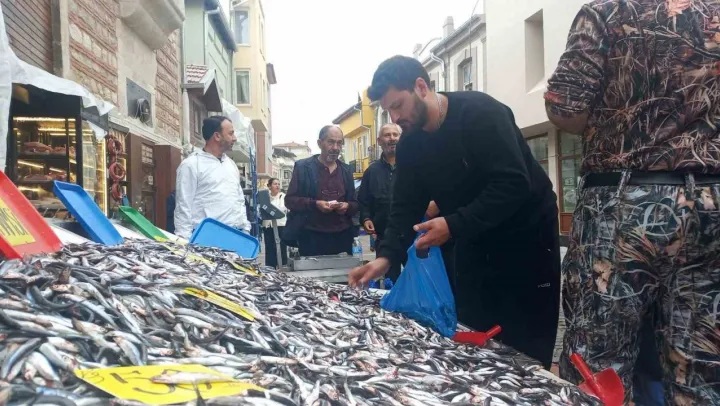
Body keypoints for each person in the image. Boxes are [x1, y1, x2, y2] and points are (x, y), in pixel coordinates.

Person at [545, 1, 720, 404]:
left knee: (598, 363)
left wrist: (618, 122)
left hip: (625, 203)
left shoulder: (609, 12)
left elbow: (565, 106)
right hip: (710, 201)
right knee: (701, 368)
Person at [349, 55, 561, 369]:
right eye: (389, 110)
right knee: (473, 330)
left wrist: (452, 223)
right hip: (472, 238)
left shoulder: (482, 113)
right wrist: (386, 257)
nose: (395, 117)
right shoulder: (411, 145)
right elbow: (405, 206)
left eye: (398, 105)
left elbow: (514, 184)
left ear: (421, 87)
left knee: (526, 340)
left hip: (527, 239)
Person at [358, 123, 439, 282]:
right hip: (385, 237)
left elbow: (433, 190)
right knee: (391, 281)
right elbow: (363, 201)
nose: (392, 138)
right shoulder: (371, 171)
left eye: (395, 135)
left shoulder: (415, 166)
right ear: (379, 141)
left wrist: (433, 203)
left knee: (418, 280)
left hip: (415, 236)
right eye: (387, 135)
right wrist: (366, 218)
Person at [284, 125, 359, 257]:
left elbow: (355, 203)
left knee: (343, 270)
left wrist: (347, 206)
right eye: (331, 142)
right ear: (320, 143)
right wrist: (315, 204)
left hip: (342, 236)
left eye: (339, 143)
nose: (335, 147)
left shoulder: (346, 170)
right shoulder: (303, 167)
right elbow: (290, 201)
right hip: (311, 236)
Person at [174, 116, 250, 239]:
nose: (235, 138)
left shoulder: (231, 164)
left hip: (235, 235)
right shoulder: (192, 165)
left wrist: (245, 228)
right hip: (206, 238)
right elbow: (183, 206)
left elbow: (239, 199)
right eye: (231, 134)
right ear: (217, 136)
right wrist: (184, 240)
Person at [262, 178, 288, 268]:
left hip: (280, 225)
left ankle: (282, 265)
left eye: (278, 184)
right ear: (269, 186)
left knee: (281, 247)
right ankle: (270, 267)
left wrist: (269, 209)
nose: (277, 186)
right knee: (269, 248)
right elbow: (262, 208)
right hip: (268, 226)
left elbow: (282, 209)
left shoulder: (283, 196)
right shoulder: (265, 197)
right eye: (275, 184)